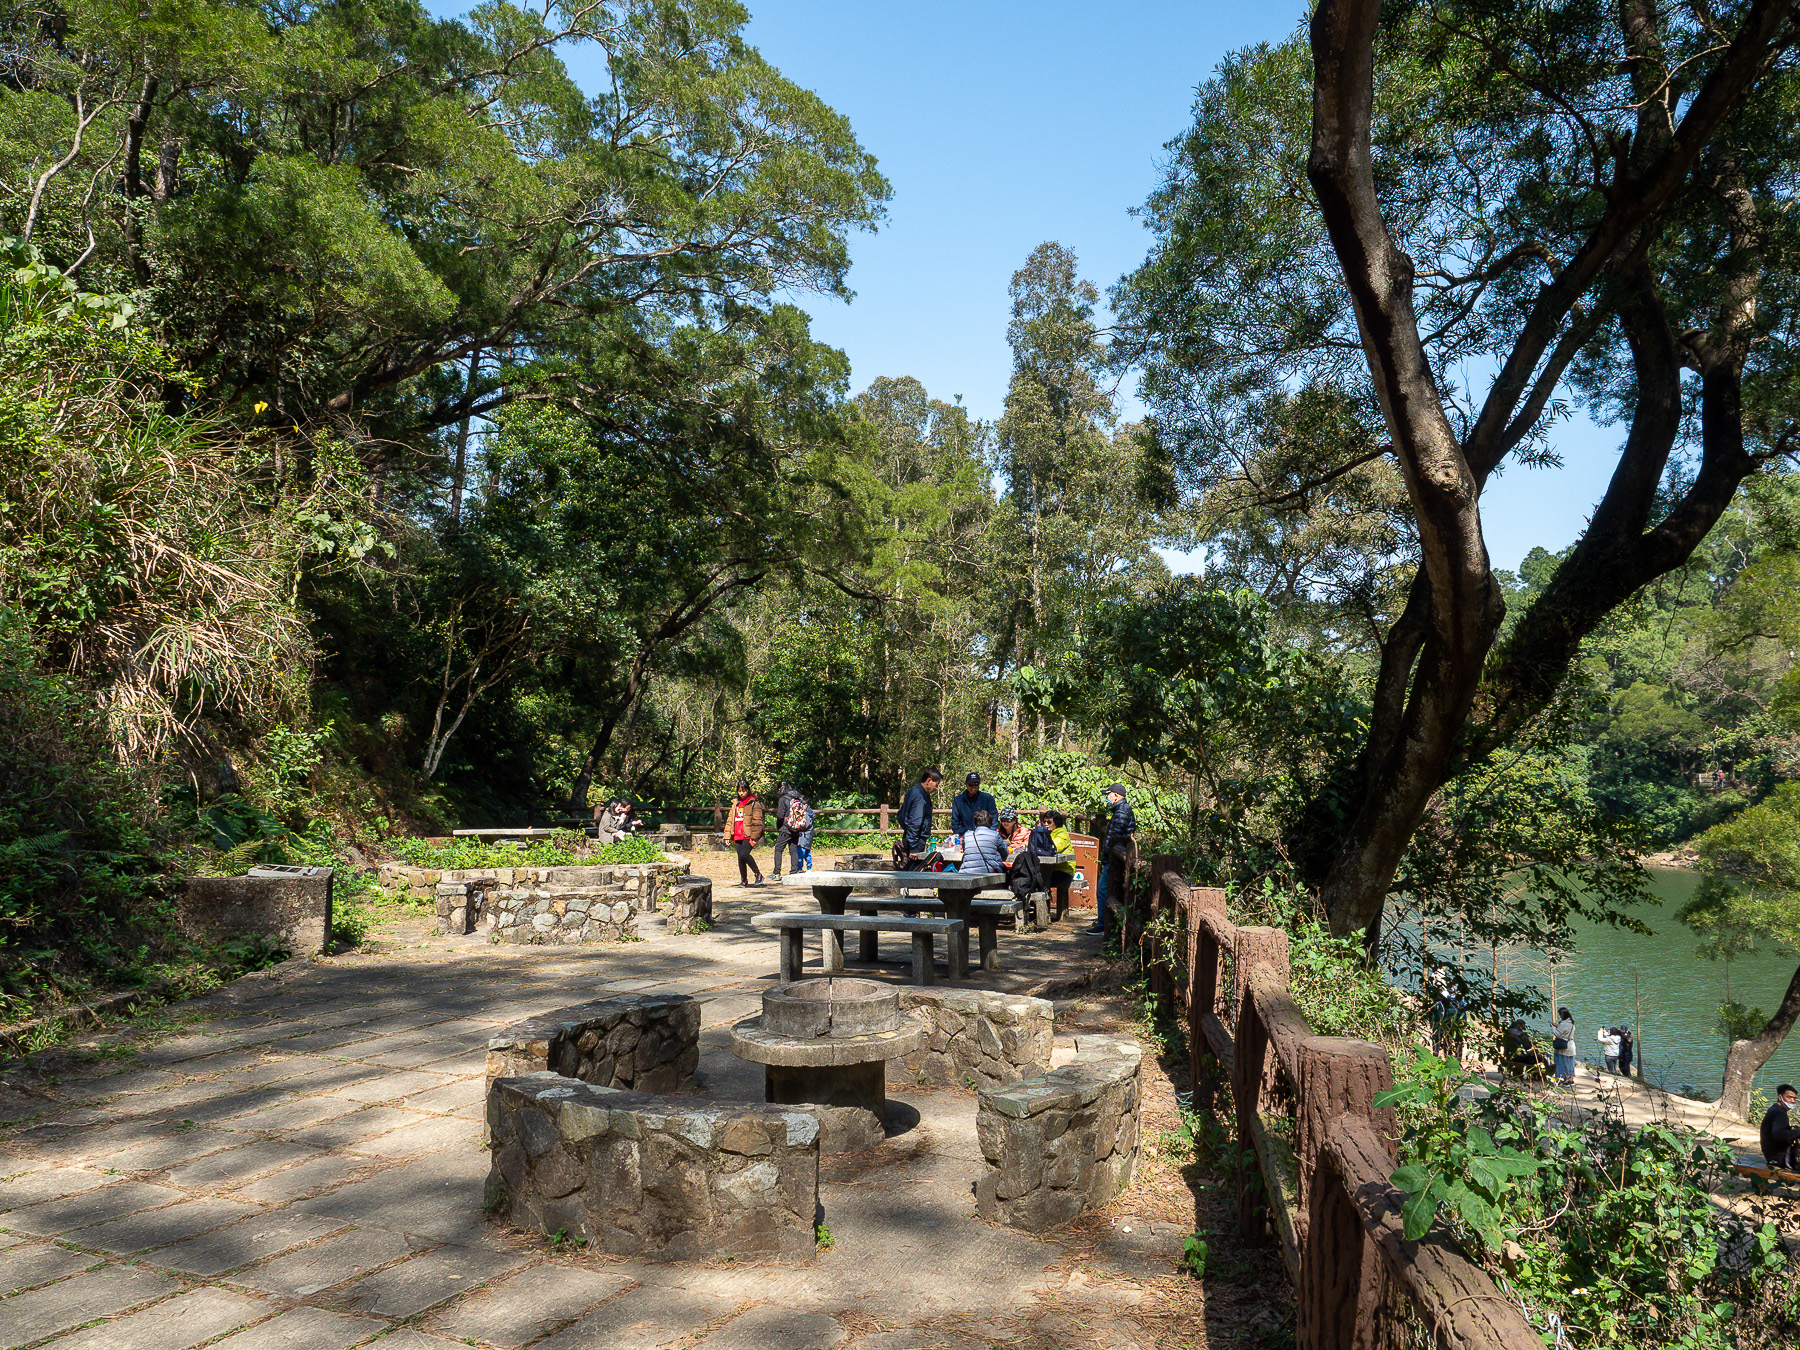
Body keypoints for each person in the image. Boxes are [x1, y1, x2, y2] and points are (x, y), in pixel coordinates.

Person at [1088, 783, 1137, 937]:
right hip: (1116, 857)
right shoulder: (1121, 810)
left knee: (1102, 890)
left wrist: (1107, 856)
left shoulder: (1121, 811)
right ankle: (1106, 923)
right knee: (1108, 890)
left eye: (1108, 794)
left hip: (1115, 858)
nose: (1107, 798)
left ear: (1115, 795)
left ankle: (1103, 924)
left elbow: (1116, 837)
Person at [898, 768, 942, 867]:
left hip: (910, 838)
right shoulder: (920, 797)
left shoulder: (914, 791)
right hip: (916, 842)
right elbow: (915, 822)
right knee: (914, 871)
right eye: (936, 785)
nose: (936, 788)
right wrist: (913, 847)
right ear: (929, 780)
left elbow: (900, 815)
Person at [729, 780, 765, 888]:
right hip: (738, 834)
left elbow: (758, 822)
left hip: (748, 834)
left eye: (744, 791)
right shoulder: (735, 804)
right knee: (740, 858)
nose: (741, 793)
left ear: (748, 790)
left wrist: (754, 837)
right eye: (740, 791)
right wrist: (727, 836)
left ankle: (758, 874)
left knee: (745, 854)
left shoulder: (754, 803)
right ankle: (743, 880)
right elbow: (730, 820)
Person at [1761, 1084, 1800, 1173]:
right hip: (1778, 1159)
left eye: (1794, 1098)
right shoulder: (1780, 1113)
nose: (1792, 1101)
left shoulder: (1775, 1109)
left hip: (1771, 1156)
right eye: (1789, 1097)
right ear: (1780, 1097)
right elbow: (1778, 1134)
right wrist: (1797, 1133)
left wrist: (1791, 1129)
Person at [769, 781, 800, 883]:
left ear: (780, 789)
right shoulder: (796, 797)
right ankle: (794, 871)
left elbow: (780, 815)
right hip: (796, 828)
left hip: (785, 828)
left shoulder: (783, 799)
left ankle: (777, 873)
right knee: (793, 850)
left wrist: (779, 826)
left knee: (778, 849)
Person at [950, 773, 998, 837]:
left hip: (984, 835)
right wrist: (958, 835)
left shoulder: (987, 799)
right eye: (970, 784)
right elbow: (955, 821)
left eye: (976, 784)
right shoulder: (958, 801)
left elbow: (994, 817)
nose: (973, 787)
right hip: (965, 835)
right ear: (966, 784)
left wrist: (991, 832)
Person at [962, 809, 1008, 874]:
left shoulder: (967, 835)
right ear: (990, 823)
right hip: (989, 871)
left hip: (967, 872)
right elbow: (1004, 851)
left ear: (975, 823)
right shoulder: (995, 835)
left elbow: (965, 850)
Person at [1551, 1007, 1576, 1085]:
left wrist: (1553, 1027)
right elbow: (1565, 1031)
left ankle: (1565, 1080)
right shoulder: (1571, 1023)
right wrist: (1557, 1026)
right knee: (1570, 1063)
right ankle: (1571, 1079)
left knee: (1562, 1063)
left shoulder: (1563, 1024)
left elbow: (1557, 1034)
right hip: (1571, 1045)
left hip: (1564, 1046)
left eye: (1560, 1014)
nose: (1560, 1016)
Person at [794, 801, 817, 873]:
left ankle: (800, 867)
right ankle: (809, 866)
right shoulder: (809, 812)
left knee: (801, 851)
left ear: (806, 805)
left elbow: (805, 825)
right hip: (807, 835)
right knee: (807, 851)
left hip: (804, 836)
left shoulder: (807, 814)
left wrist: (798, 827)